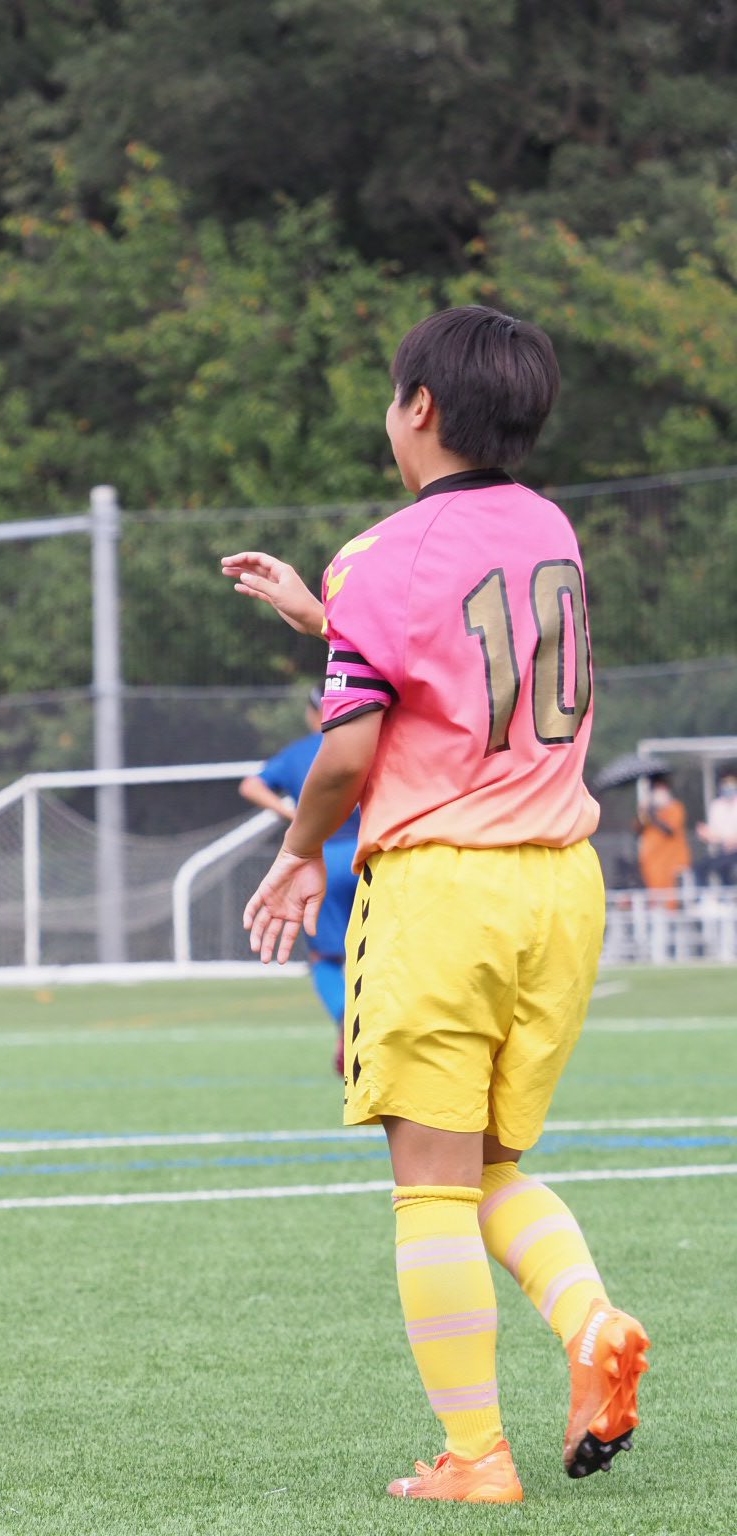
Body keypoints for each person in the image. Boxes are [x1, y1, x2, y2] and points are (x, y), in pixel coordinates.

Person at [226, 305, 647, 1505]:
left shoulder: (379, 553)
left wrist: (301, 853)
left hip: (441, 889)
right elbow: (472, 663)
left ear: (417, 407)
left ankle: (474, 1458)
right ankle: (589, 1323)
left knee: (425, 1185)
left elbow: (350, 753)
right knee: (487, 1168)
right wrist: (325, 620)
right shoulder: (550, 528)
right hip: (559, 891)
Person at [239, 695, 361, 1074]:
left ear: (313, 714)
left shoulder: (298, 752)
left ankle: (346, 1016)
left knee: (324, 956)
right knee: (378, 949)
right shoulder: (366, 743)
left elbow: (250, 785)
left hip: (322, 860)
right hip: (372, 856)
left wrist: (287, 810)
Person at [635, 773, 690, 905]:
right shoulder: (648, 810)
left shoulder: (675, 807)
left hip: (671, 860)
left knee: (671, 893)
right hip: (651, 860)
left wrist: (654, 815)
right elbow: (638, 829)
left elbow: (670, 830)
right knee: (654, 893)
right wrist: (646, 812)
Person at [697, 770, 737, 884]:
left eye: (732, 783)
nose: (729, 787)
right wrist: (705, 834)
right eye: (726, 783)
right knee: (701, 868)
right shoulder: (716, 806)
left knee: (725, 866)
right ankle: (705, 899)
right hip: (724, 851)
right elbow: (713, 835)